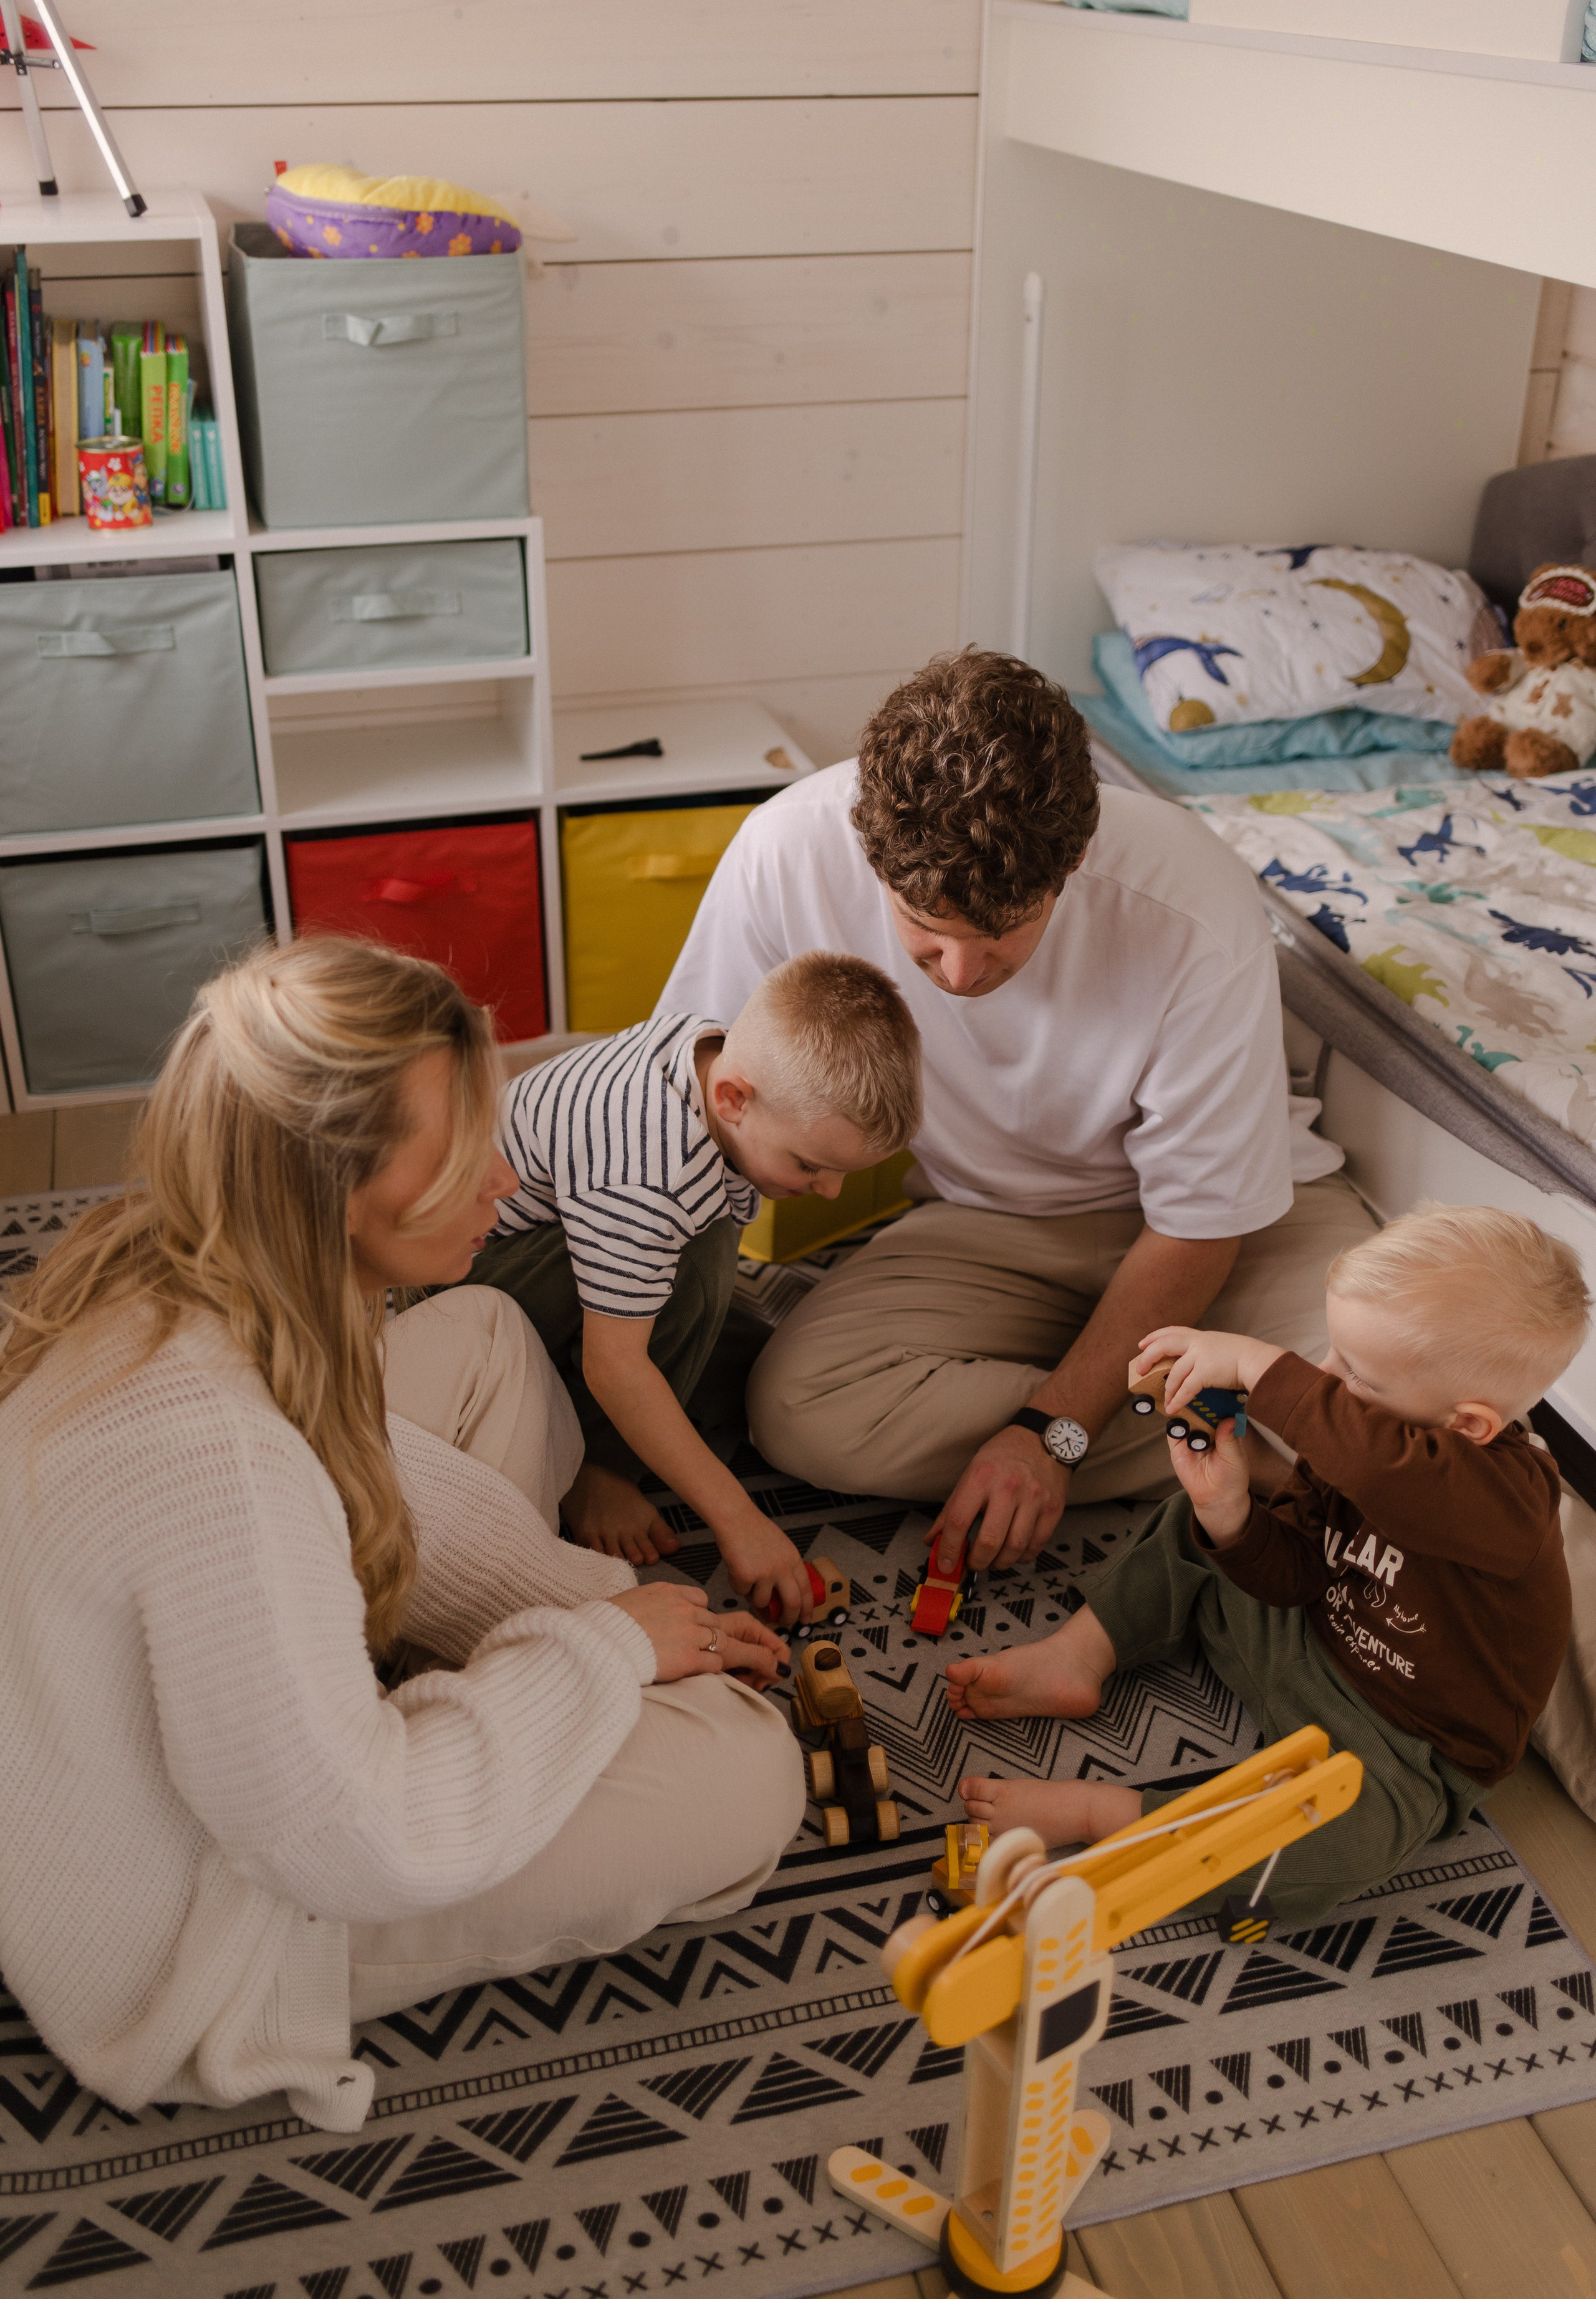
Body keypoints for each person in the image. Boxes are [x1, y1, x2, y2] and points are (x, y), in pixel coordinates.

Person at [0, 938, 804, 2134]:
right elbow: (361, 1838)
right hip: (192, 1916)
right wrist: (603, 1656)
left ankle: (477, 1696)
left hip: (192, 1725)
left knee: (483, 1331)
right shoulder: (223, 1461)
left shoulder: (207, 1266)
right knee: (749, 1768)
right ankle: (474, 1715)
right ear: (330, 1188)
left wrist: (587, 1600)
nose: (501, 1177)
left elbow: (379, 1461)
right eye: (461, 1152)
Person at [659, 647, 1372, 1572]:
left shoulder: (1191, 905)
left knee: (1403, 1414)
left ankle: (1236, 1436)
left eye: (999, 937)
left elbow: (1200, 1224)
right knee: (795, 1411)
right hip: (992, 1231)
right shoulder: (784, 851)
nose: (960, 977)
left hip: (1224, 1239)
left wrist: (1053, 1434)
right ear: (868, 849)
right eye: (926, 934)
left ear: (1073, 860)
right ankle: (1239, 1439)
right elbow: (686, 1102)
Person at [949, 1206, 1585, 1921]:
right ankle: (1077, 1653)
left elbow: (1383, 1469)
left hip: (1402, 1753)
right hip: (1304, 1641)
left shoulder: (1509, 1498)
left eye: (1358, 1376)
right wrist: (1230, 1515)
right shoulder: (1351, 1437)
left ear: (1466, 1425)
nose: (1323, 1377)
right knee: (1189, 1525)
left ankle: (1111, 1815)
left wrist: (1256, 1363)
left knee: (1335, 1852)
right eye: (1331, 1354)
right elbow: (1298, 1573)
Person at [469, 952, 921, 1625]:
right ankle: (588, 1466)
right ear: (733, 1099)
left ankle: (632, 1390)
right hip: (468, 1282)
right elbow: (614, 1365)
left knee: (751, 1365)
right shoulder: (650, 1179)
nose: (827, 1190)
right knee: (694, 1262)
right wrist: (737, 1518)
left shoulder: (708, 1049)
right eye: (810, 1165)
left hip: (575, 1234)